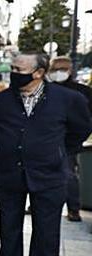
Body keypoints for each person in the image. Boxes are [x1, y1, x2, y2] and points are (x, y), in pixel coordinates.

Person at [0, 53, 92, 256]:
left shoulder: (68, 99)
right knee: (8, 224)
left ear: (39, 73)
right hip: (9, 172)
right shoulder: (0, 101)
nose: (13, 72)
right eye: (12, 67)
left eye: (18, 68)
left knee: (47, 227)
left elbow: (81, 128)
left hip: (49, 173)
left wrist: (59, 151)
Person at [48, 56, 92, 222]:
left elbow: (87, 121)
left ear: (70, 70)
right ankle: (38, 204)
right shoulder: (44, 89)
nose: (58, 73)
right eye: (55, 69)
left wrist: (74, 141)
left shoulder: (82, 91)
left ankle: (74, 209)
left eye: (62, 69)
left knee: (68, 174)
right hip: (48, 139)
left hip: (68, 142)